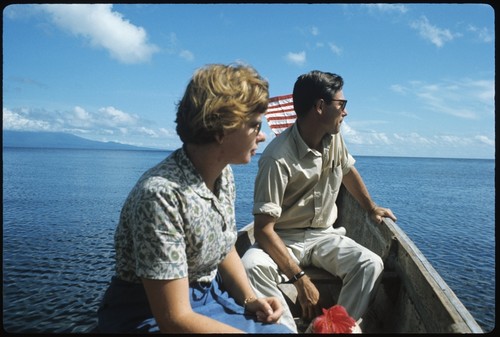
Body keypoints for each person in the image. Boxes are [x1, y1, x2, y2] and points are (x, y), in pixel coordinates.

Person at [97, 63, 293, 333]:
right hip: (148, 312)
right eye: (254, 125)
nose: (262, 136)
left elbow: (224, 248)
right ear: (222, 131)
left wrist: (250, 299)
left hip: (207, 296)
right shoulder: (161, 196)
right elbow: (173, 318)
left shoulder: (223, 176)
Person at [241, 70, 397, 333]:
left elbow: (347, 171)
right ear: (320, 107)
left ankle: (330, 328)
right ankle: (286, 329)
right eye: (342, 104)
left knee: (370, 264)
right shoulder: (277, 158)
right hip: (284, 238)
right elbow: (263, 230)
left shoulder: (334, 138)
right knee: (250, 265)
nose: (345, 112)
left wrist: (370, 208)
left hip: (324, 235)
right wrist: (300, 280)